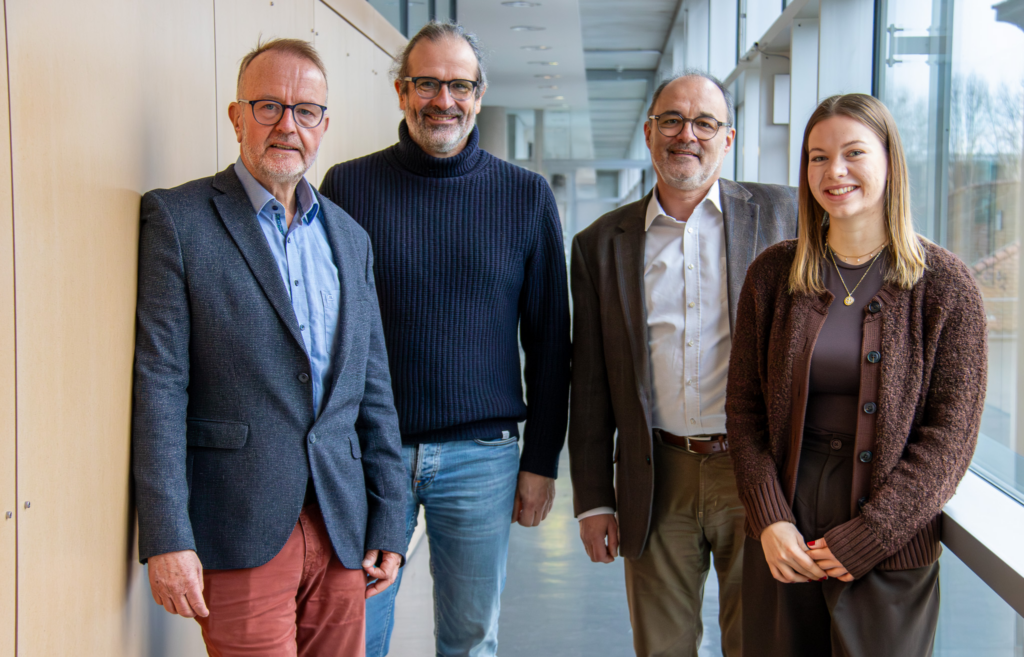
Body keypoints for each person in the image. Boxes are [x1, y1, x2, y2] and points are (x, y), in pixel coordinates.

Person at [132, 38, 407, 656]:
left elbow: (374, 394)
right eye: (268, 106)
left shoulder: (350, 238)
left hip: (342, 526)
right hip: (238, 524)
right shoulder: (180, 221)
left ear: (324, 126)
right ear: (236, 116)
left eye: (306, 111)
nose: (288, 125)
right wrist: (167, 535)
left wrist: (390, 515)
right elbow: (160, 387)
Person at [319, 21, 571, 657]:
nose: (443, 100)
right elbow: (324, 332)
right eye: (427, 83)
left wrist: (540, 463)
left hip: (483, 458)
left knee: (469, 639)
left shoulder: (526, 197)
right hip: (370, 455)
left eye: (459, 84)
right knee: (357, 631)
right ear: (402, 92)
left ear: (479, 94)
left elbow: (550, 345)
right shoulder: (347, 189)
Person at [726, 93, 988, 656]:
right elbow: (744, 410)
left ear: (890, 162)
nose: (833, 172)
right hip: (785, 530)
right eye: (817, 157)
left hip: (891, 534)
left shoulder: (946, 286)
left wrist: (873, 535)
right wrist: (770, 519)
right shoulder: (771, 274)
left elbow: (952, 437)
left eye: (853, 153)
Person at [568, 70, 797, 657]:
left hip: (758, 472)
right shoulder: (601, 243)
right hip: (656, 472)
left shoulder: (787, 218)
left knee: (762, 642)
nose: (686, 134)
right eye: (671, 120)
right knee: (662, 645)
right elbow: (590, 381)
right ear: (649, 133)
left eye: (704, 122)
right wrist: (595, 497)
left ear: (729, 137)